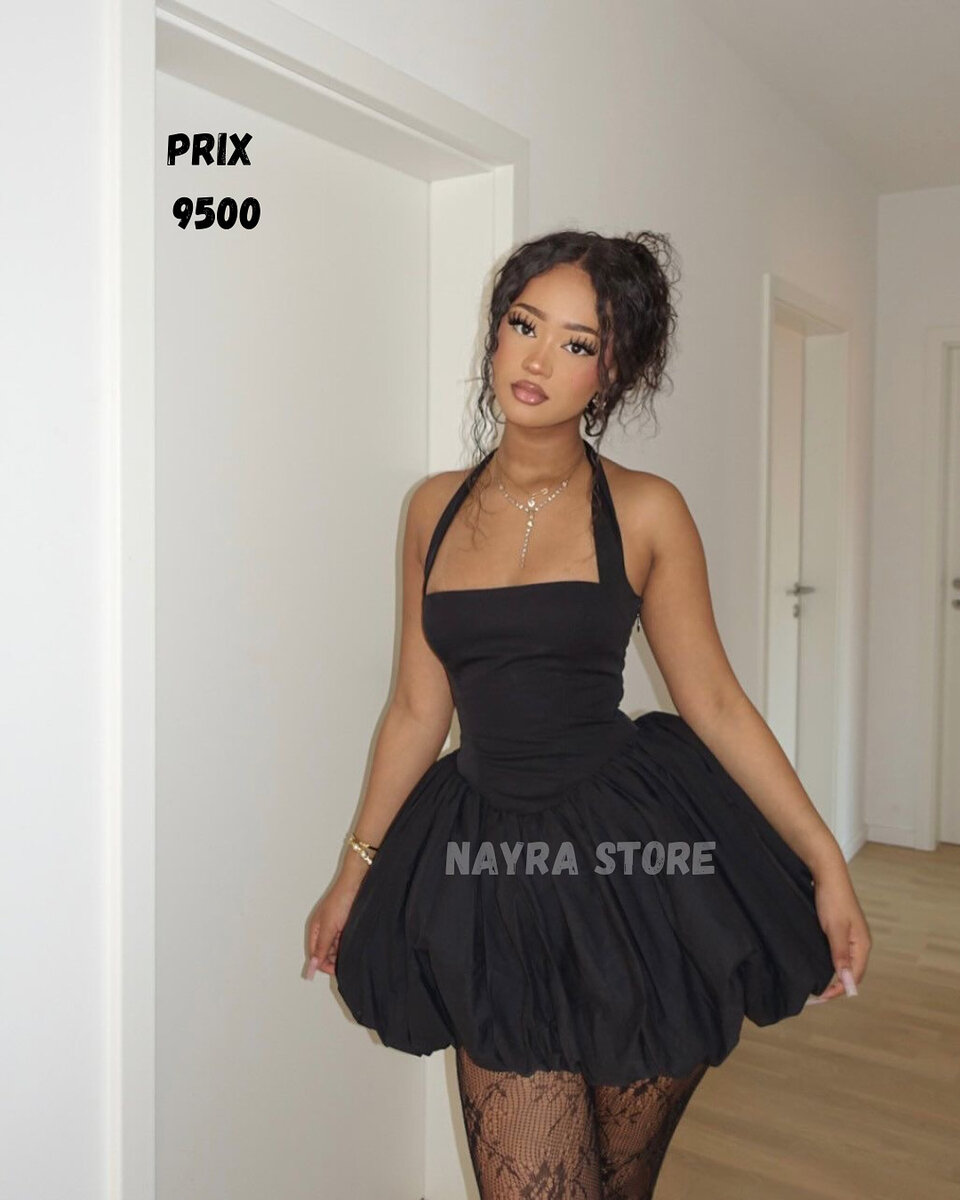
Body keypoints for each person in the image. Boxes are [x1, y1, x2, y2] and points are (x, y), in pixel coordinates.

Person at [304, 229, 872, 1198]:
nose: (537, 360)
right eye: (525, 325)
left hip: (634, 880)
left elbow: (717, 704)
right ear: (496, 332)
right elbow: (414, 709)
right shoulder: (432, 510)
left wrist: (825, 861)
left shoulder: (646, 510)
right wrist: (351, 873)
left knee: (616, 1184)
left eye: (576, 343)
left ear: (610, 373)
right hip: (488, 877)